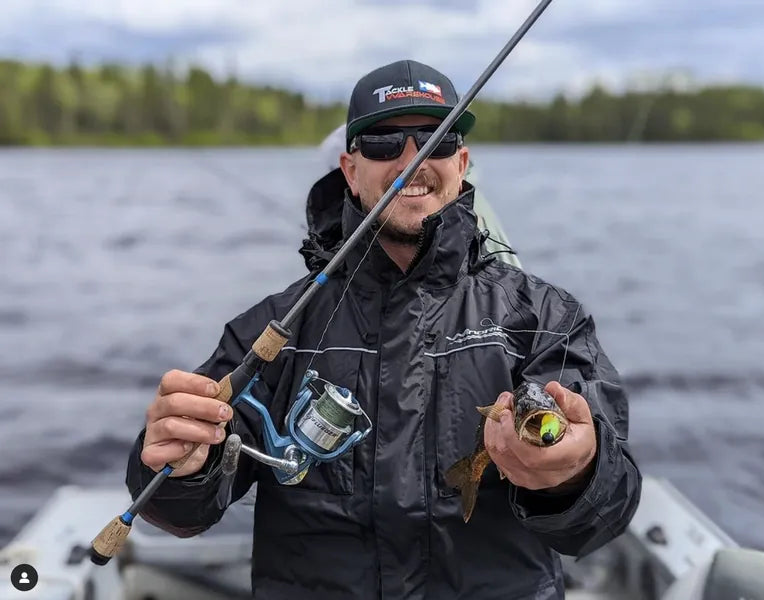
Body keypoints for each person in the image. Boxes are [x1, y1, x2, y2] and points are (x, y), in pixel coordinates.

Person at [126, 59, 642, 600]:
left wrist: (575, 471)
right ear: (349, 169)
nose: (412, 159)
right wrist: (180, 465)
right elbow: (178, 509)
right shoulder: (271, 330)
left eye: (436, 140)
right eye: (382, 142)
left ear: (461, 163)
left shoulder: (545, 319)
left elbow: (608, 510)